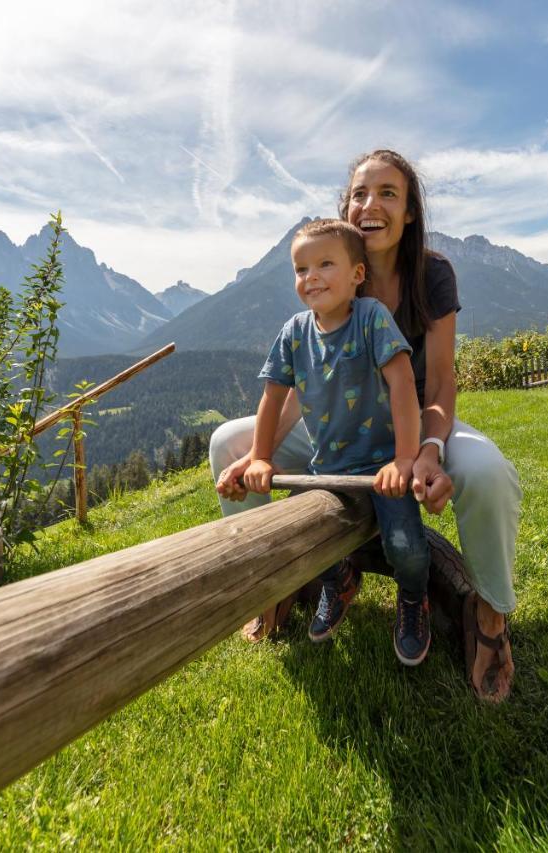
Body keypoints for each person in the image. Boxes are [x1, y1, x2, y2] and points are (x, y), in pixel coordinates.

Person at [214, 150, 522, 701]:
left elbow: (441, 384)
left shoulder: (432, 276)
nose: (370, 204)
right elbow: (293, 390)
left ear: (409, 212)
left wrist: (427, 450)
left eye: (387, 193)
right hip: (338, 427)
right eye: (359, 193)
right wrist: (259, 451)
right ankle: (271, 585)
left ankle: (491, 616)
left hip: (416, 426)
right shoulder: (325, 279)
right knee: (226, 442)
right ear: (345, 210)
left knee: (488, 471)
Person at [239, 218, 434, 665]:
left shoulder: (371, 318)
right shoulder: (293, 332)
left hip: (384, 464)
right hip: (325, 467)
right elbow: (272, 397)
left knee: (405, 545)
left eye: (325, 264)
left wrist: (405, 459)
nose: (311, 277)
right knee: (307, 536)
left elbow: (403, 385)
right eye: (301, 268)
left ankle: (412, 598)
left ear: (357, 275)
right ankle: (338, 581)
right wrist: (260, 457)